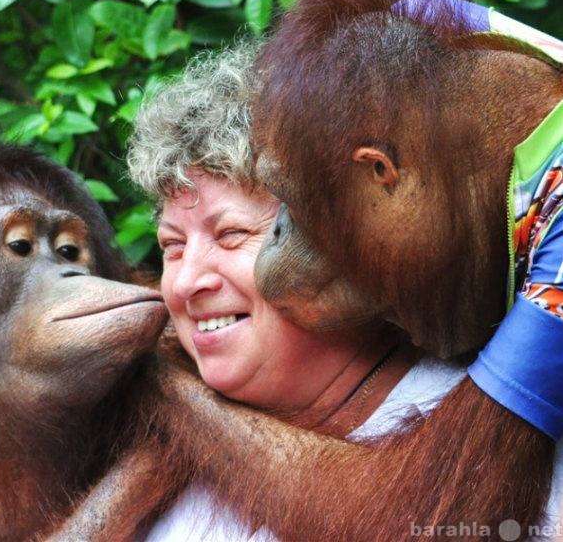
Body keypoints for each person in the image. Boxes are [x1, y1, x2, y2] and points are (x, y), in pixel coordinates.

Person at [125, 39, 508, 541]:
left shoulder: (488, 416)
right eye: (171, 245)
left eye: (232, 234)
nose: (189, 281)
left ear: (342, 243)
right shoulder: (146, 419)